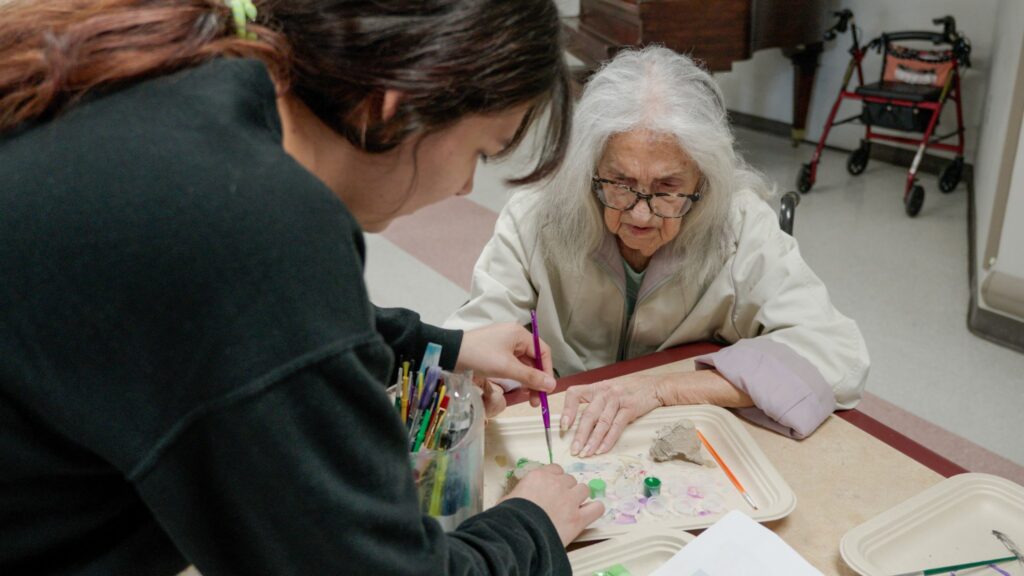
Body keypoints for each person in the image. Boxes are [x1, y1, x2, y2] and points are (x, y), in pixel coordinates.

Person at [0, 1, 603, 574]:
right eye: (481, 150)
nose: (467, 188)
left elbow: (232, 328)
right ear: (395, 105)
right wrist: (532, 523)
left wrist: (438, 345)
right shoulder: (257, 226)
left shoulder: (201, 89)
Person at [446, 46, 870, 458]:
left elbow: (836, 354)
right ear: (588, 169)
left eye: (667, 188)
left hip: (688, 433)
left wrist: (664, 390)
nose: (642, 215)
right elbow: (472, 342)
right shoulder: (538, 215)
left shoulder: (737, 223)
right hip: (564, 431)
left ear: (705, 178)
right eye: (619, 183)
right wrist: (475, 384)